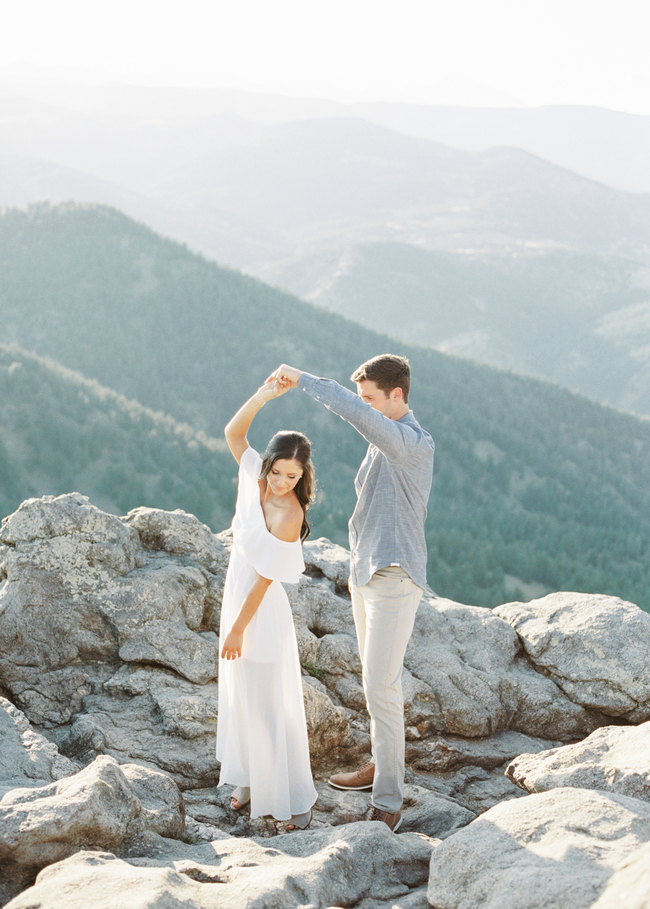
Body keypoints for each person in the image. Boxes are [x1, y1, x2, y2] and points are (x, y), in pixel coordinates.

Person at [273, 355, 434, 833]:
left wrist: (302, 379)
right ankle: (382, 768)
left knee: (382, 686)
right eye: (363, 396)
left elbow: (354, 413)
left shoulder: (409, 442)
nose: (365, 405)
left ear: (396, 396)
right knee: (373, 682)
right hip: (367, 574)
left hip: (394, 577)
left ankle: (388, 800)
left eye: (371, 397)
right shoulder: (388, 440)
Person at [216, 376, 318, 830]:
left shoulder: (291, 513)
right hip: (234, 591)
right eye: (277, 471)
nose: (280, 482)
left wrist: (238, 627)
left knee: (267, 699)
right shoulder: (255, 477)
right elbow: (233, 434)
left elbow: (265, 577)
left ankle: (291, 795)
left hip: (258, 608)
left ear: (303, 477)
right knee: (241, 693)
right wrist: (262, 396)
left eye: (292, 477)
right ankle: (248, 777)